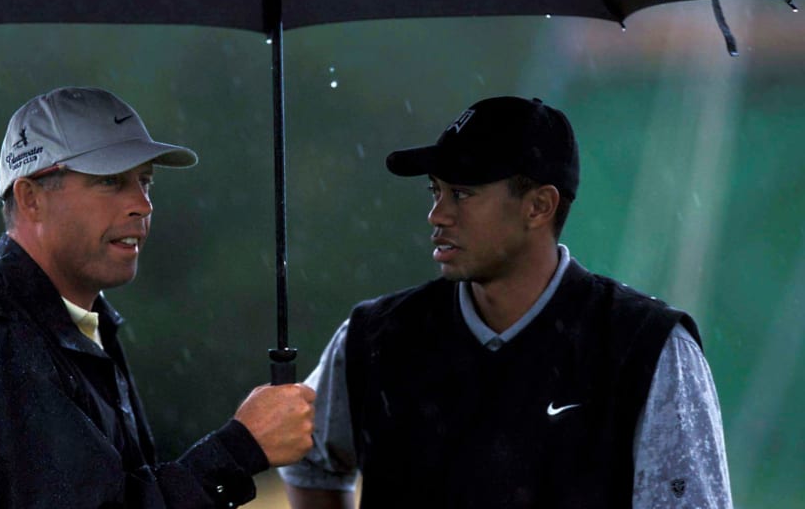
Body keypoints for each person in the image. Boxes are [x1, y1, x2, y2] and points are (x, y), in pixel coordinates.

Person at [280, 96, 732, 508]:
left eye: (462, 193)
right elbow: (308, 458)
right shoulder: (376, 336)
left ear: (538, 206)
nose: (437, 214)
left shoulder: (647, 347)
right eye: (435, 190)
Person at [0, 86, 315, 508]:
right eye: (110, 181)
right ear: (30, 198)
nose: (142, 204)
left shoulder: (64, 323)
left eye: (145, 181)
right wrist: (239, 450)